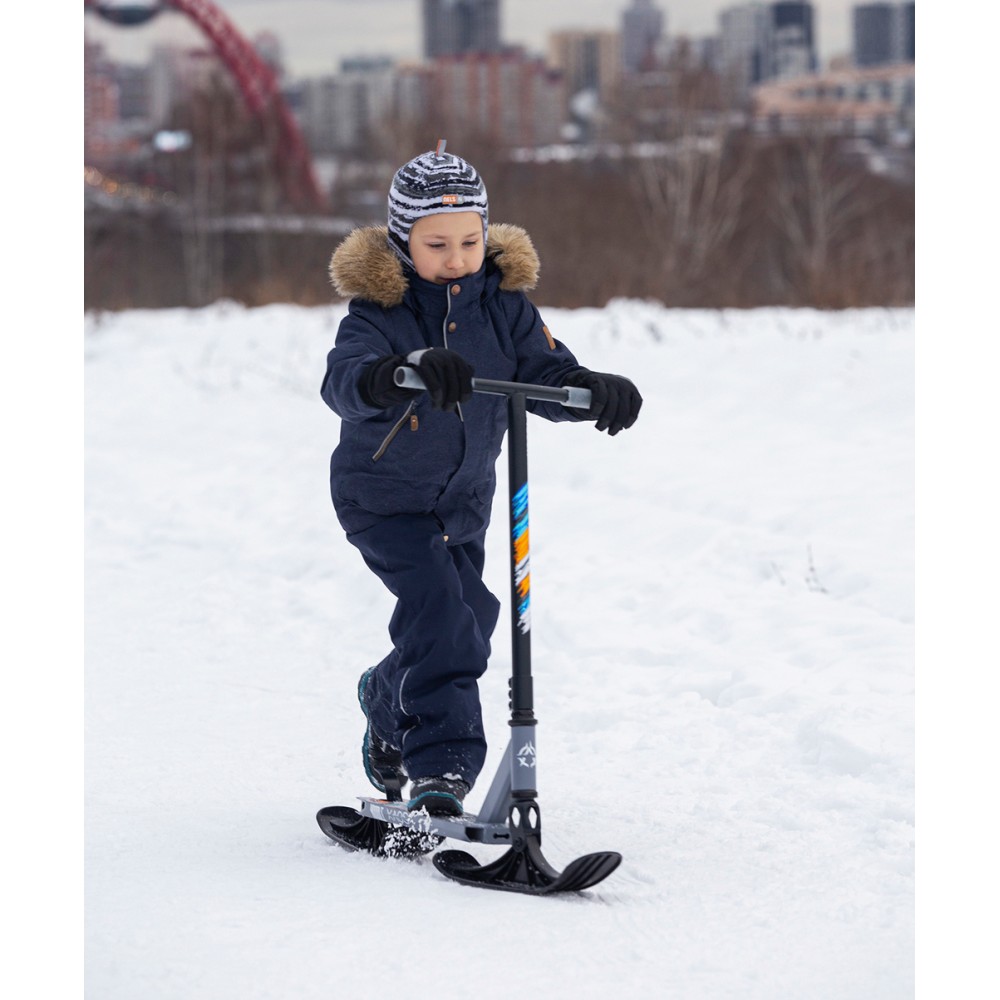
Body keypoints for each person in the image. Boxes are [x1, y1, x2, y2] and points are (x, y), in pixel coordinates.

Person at [320, 143, 642, 817]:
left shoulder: (504, 306)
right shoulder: (380, 310)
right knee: (442, 616)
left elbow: (546, 372)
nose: (457, 257)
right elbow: (345, 378)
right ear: (404, 240)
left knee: (471, 620)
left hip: (462, 506)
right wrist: (397, 371)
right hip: (384, 501)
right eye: (437, 244)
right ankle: (443, 770)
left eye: (470, 240)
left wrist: (590, 389)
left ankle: (386, 698)